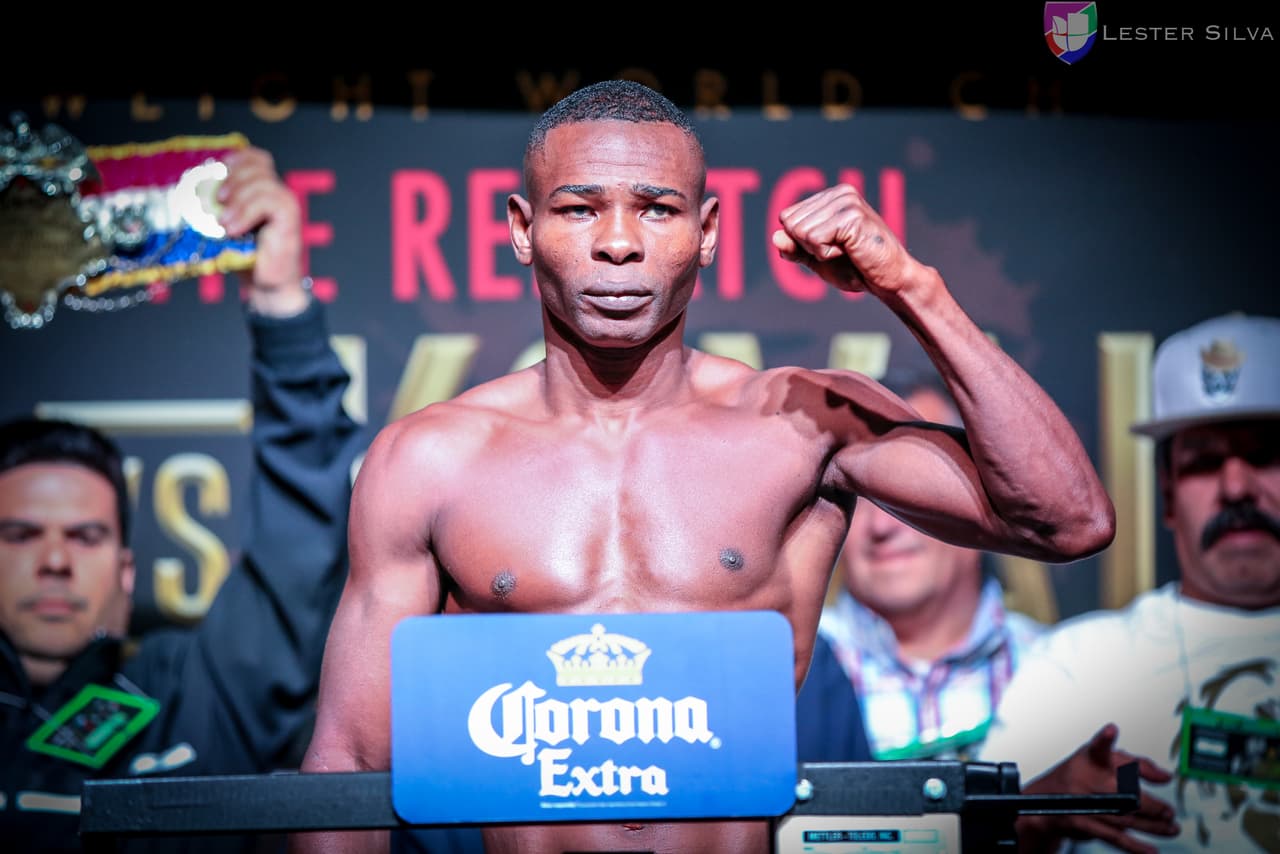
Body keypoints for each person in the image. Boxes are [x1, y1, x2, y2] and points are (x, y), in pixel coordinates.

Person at [296, 80, 1116, 854]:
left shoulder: (800, 422)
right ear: (520, 227)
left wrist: (910, 287)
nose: (618, 243)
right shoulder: (429, 458)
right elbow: (350, 763)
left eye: (657, 209)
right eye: (578, 208)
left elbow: (1066, 520)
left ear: (709, 231)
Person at [0, 147, 364, 853]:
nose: (53, 561)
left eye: (85, 537)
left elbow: (300, 548)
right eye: (18, 535)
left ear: (128, 571)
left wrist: (281, 298)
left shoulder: (186, 695)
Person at [979, 312, 1280, 853]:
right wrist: (1043, 811)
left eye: (1264, 456)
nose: (1237, 488)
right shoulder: (1077, 664)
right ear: (1165, 495)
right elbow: (971, 841)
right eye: (1205, 463)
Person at [797, 368, 1045, 763]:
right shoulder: (792, 671)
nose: (883, 525)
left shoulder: (1060, 669)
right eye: (859, 493)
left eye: (912, 490)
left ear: (983, 496)